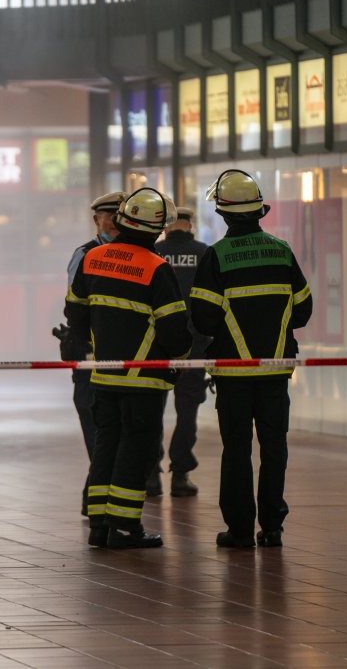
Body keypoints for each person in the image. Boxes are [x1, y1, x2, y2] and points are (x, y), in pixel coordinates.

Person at [190, 169, 312, 549]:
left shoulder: (217, 257)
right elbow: (303, 310)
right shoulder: (282, 251)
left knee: (237, 449)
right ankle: (272, 527)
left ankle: (240, 529)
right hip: (275, 372)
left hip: (234, 372)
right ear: (260, 211)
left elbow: (203, 317)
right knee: (275, 447)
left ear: (224, 214)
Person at [65, 187, 191, 549]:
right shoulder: (156, 268)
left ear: (121, 220)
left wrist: (97, 342)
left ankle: (100, 526)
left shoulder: (94, 258)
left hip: (102, 375)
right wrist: (179, 357)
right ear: (157, 230)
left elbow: (75, 311)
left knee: (106, 446)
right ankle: (124, 527)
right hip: (144, 380)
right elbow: (174, 331)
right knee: (136, 452)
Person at [59, 191, 125, 514]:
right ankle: (97, 503)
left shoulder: (136, 254)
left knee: (114, 435)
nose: (112, 221)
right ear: (95, 219)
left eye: (118, 214)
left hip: (125, 359)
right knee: (97, 431)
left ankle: (96, 501)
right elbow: (74, 307)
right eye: (107, 215)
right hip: (90, 358)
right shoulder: (84, 255)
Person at [152, 205, 211, 498]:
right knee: (187, 412)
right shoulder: (204, 253)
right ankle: (180, 474)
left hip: (156, 348)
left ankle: (150, 476)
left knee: (152, 411)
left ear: (166, 227)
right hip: (195, 347)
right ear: (191, 225)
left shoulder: (152, 252)